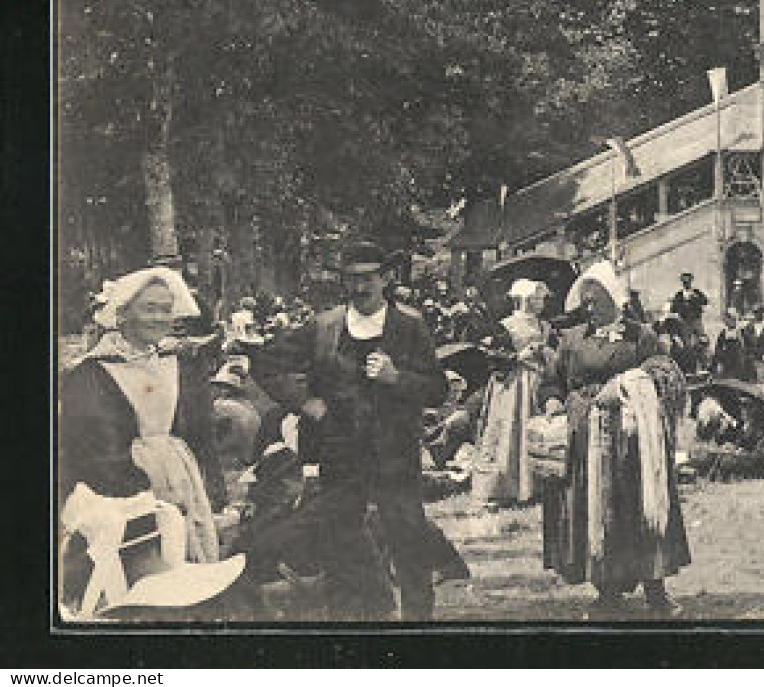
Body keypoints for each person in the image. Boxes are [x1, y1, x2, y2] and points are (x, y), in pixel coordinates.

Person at [252, 240, 449, 620]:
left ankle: (417, 624)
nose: (360, 288)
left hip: (395, 452)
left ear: (386, 278)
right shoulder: (324, 327)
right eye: (352, 279)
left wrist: (397, 378)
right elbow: (266, 364)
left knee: (407, 536)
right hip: (339, 450)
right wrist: (308, 404)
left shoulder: (409, 326)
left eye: (368, 279)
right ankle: (356, 619)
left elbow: (437, 390)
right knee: (340, 536)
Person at [546, 261, 690, 615]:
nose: (590, 308)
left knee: (640, 506)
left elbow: (664, 374)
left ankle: (656, 590)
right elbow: (553, 380)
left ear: (614, 299)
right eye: (586, 302)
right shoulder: (572, 339)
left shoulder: (641, 336)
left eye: (596, 300)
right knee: (595, 509)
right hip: (586, 437)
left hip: (632, 438)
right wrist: (551, 398)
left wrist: (626, 386)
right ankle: (606, 590)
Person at [59, 266, 226, 564]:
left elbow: (201, 432)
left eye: (166, 309)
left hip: (181, 476)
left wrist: (212, 487)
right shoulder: (92, 373)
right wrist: (144, 494)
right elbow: (94, 449)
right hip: (121, 490)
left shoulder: (178, 364)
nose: (160, 318)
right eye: (149, 309)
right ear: (122, 314)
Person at [471, 279, 563, 507]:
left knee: (536, 428)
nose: (541, 303)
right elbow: (492, 358)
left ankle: (535, 485)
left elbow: (555, 353)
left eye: (541, 299)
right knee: (510, 429)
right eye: (537, 298)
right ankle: (505, 487)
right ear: (524, 300)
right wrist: (520, 355)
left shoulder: (545, 326)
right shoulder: (507, 325)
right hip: (513, 385)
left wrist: (547, 352)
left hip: (539, 382)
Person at [709, 310, 757, 382]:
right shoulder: (723, 333)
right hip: (727, 360)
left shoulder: (742, 331)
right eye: (726, 320)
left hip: (740, 360)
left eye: (731, 319)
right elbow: (718, 348)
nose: (727, 322)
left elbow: (751, 345)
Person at [667, 273, 709, 342]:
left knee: (702, 339)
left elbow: (705, 301)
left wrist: (694, 298)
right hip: (685, 321)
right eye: (684, 282)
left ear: (691, 282)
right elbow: (673, 308)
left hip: (696, 319)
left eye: (688, 282)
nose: (686, 284)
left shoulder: (696, 292)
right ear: (682, 283)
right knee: (686, 340)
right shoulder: (679, 295)